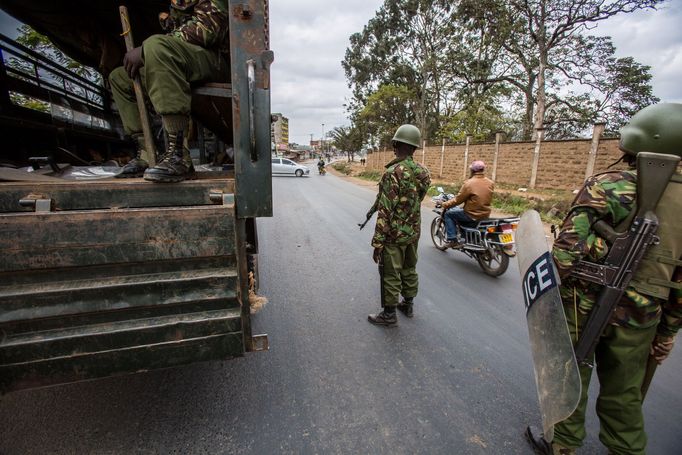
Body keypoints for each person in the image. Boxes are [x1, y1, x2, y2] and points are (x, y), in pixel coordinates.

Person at [526, 103, 682, 455]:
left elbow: (564, 254)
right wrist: (669, 330)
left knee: (572, 370)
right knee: (625, 392)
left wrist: (551, 300)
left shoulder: (608, 185)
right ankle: (625, 448)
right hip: (643, 314)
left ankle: (563, 444)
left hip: (584, 302)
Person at [110, 0, 230, 182]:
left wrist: (144, 51)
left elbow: (209, 31)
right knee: (120, 78)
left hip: (216, 62)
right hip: (184, 61)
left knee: (156, 47)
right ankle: (146, 153)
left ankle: (179, 156)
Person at [367, 124, 431, 326]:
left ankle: (389, 315)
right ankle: (408, 304)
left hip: (393, 235)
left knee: (390, 272)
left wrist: (378, 242)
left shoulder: (392, 173)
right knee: (409, 267)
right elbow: (417, 200)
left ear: (395, 145)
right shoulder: (423, 172)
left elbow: (385, 210)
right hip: (413, 231)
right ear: (414, 148)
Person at [440, 160, 494, 248]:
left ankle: (452, 239)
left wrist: (445, 204)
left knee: (449, 214)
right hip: (485, 214)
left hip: (471, 214)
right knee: (459, 211)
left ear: (472, 171)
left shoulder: (469, 183)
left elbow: (458, 200)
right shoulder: (490, 183)